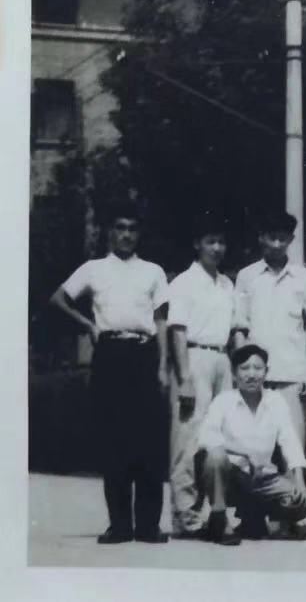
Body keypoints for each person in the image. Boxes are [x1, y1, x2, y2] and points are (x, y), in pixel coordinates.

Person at [49, 203, 170, 544]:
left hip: (144, 353)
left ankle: (148, 526)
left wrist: (163, 366)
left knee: (148, 441)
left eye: (132, 228)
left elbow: (161, 320)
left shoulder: (153, 271)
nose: (126, 234)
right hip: (110, 354)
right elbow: (58, 299)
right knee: (114, 440)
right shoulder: (94, 269)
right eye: (120, 227)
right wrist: (89, 325)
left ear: (139, 233)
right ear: (110, 232)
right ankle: (119, 525)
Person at [196, 344, 306, 546]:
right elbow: (205, 437)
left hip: (262, 477)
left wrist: (300, 481)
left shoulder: (276, 401)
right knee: (215, 456)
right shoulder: (223, 401)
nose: (251, 374)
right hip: (231, 476)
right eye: (244, 368)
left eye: (258, 368)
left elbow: (289, 441)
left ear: (266, 372)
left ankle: (252, 515)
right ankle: (219, 517)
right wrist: (245, 453)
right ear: (234, 374)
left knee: (305, 503)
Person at [166, 213, 235, 538]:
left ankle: (211, 512)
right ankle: (185, 515)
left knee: (218, 437)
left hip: (222, 359)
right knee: (188, 439)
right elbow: (177, 331)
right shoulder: (183, 282)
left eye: (221, 242)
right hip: (194, 358)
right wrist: (185, 378)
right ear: (197, 244)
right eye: (210, 242)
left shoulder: (226, 284)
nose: (217, 248)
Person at [232, 210, 306, 450]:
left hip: (291, 373)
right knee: (253, 444)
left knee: (294, 444)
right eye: (272, 238)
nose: (277, 244)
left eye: (282, 238)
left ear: (291, 240)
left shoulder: (304, 277)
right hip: (255, 374)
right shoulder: (247, 276)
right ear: (262, 238)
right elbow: (240, 326)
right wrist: (241, 368)